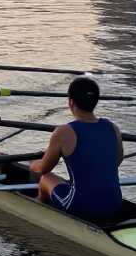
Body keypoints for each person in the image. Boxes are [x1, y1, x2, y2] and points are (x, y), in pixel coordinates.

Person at [29, 77, 124, 222]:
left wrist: (32, 165)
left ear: (70, 102)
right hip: (115, 204)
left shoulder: (63, 131)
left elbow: (44, 168)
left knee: (46, 179)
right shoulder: (113, 128)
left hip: (80, 206)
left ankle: (40, 213)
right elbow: (117, 160)